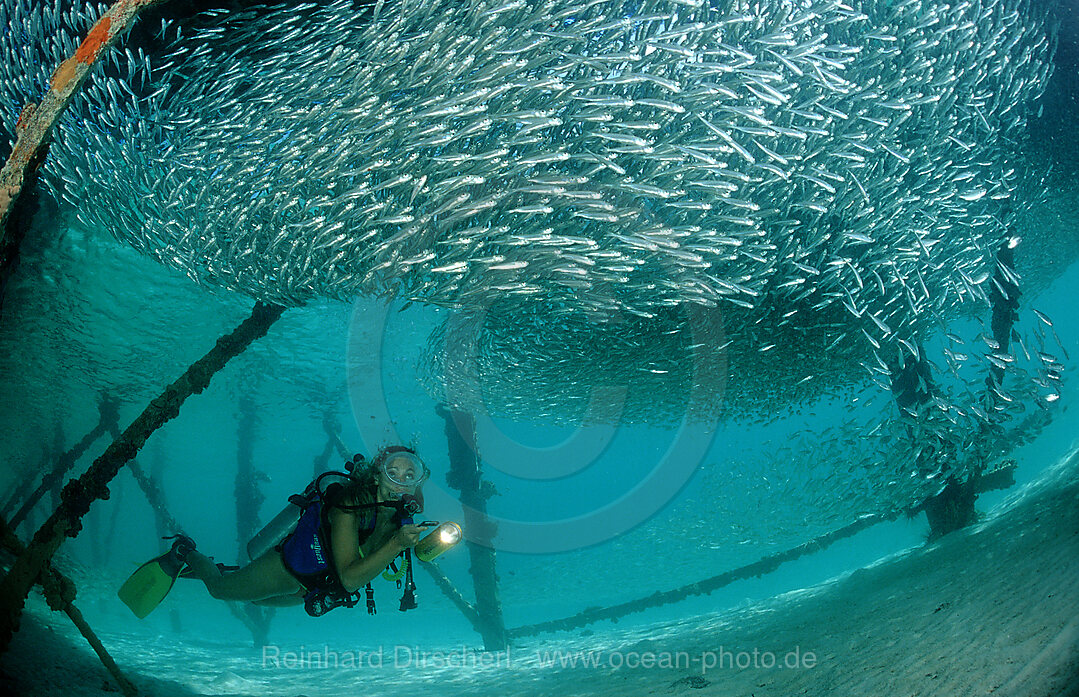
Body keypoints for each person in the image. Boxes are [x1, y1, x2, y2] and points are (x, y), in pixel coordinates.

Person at [119, 446, 434, 618]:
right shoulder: (349, 504)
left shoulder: (399, 517)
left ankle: (239, 574)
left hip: (313, 587)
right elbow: (352, 577)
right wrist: (395, 545)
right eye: (392, 472)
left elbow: (400, 558)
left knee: (256, 603)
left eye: (409, 474)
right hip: (288, 568)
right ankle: (184, 550)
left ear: (418, 480)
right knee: (219, 590)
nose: (399, 481)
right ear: (378, 474)